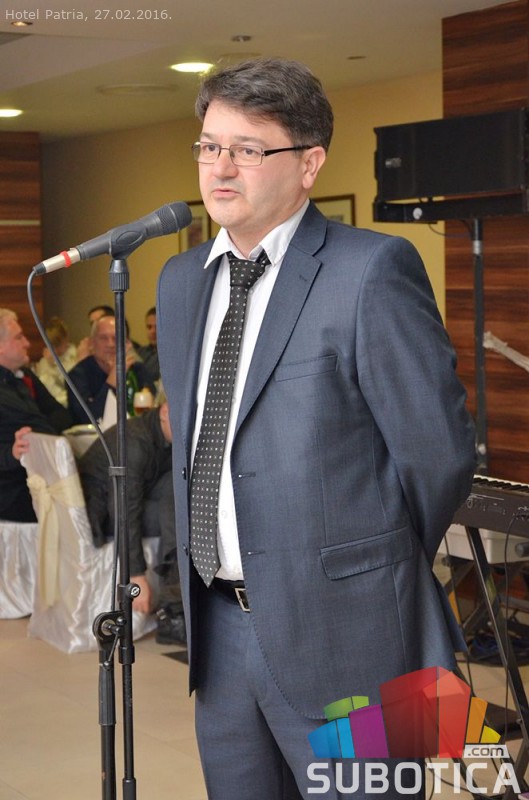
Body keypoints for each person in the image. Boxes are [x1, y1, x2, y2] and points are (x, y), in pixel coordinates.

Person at [156, 58, 476, 799]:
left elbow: (437, 455)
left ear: (309, 164)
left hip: (352, 632)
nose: (220, 168)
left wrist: (364, 566)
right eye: (210, 146)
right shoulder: (180, 282)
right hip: (218, 629)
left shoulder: (370, 269)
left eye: (247, 148)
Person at [77, 402, 185, 644]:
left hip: (128, 499)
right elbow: (124, 509)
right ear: (165, 412)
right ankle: (172, 612)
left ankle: (175, 605)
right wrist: (135, 575)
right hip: (102, 513)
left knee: (176, 495)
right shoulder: (135, 441)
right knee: (178, 516)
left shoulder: (163, 435)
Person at [0, 309, 72, 522]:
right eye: (19, 337)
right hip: (11, 488)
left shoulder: (22, 378)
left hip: (40, 476)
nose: (27, 343)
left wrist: (39, 434)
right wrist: (11, 453)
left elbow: (62, 415)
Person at [67, 314, 155, 425]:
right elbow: (88, 419)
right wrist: (112, 380)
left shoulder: (137, 370)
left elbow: (151, 413)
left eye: (116, 338)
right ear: (92, 343)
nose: (111, 344)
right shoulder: (77, 375)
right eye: (103, 338)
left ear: (127, 344)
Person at [34, 316, 78, 406]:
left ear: (66, 338)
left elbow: (71, 384)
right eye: (52, 344)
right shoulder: (44, 361)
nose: (56, 349)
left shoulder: (75, 357)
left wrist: (54, 365)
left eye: (58, 344)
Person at [137, 306, 160, 383]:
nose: (153, 331)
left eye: (157, 327)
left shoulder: (170, 356)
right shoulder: (140, 352)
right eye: (149, 327)